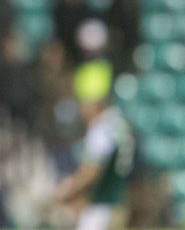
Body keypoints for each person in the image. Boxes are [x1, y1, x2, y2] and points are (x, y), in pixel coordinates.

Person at [54, 59, 136, 230]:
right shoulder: (117, 121)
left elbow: (92, 170)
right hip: (117, 204)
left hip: (103, 208)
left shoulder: (102, 128)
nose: (81, 107)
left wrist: (67, 189)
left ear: (95, 101)